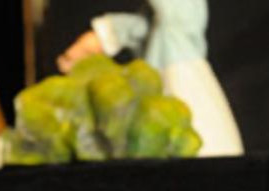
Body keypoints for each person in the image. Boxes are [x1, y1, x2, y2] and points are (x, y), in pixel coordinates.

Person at [56, 0, 244, 157]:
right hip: (158, 90)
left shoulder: (179, 21)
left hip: (181, 81)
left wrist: (107, 34)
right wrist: (101, 37)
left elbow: (176, 15)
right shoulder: (168, 25)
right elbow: (144, 27)